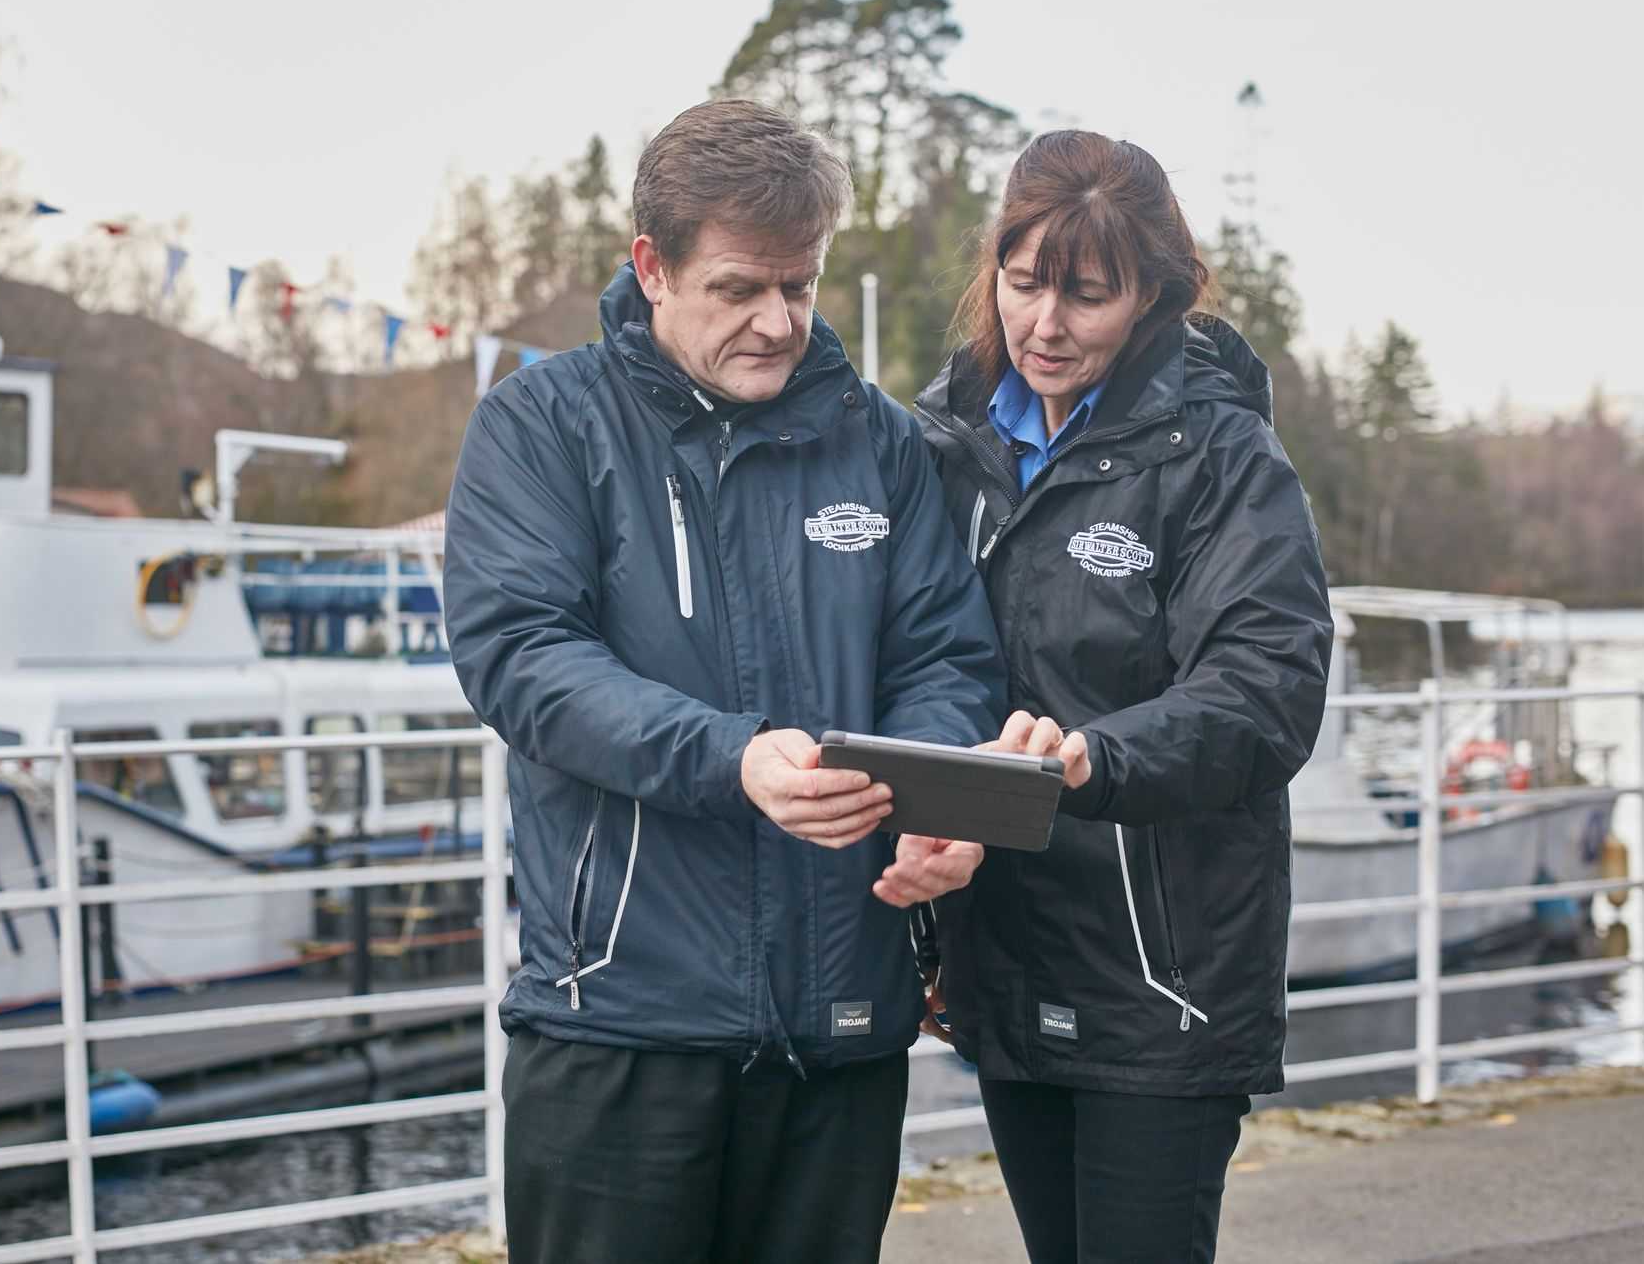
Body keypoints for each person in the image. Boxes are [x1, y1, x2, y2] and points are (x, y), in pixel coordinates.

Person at [444, 99, 1008, 1264]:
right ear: (650, 267)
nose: (776, 322)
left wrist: (936, 806)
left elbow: (943, 658)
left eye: (798, 288)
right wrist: (731, 756)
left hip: (840, 1031)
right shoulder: (540, 427)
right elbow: (521, 658)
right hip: (618, 1029)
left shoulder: (880, 442)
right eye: (739, 288)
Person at [913, 129, 1335, 1264]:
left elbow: (1265, 691)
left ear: (1151, 292)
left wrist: (1085, 760)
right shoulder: (941, 439)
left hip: (1161, 974)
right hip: (999, 953)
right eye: (1021, 285)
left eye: (1085, 296)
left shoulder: (1223, 460)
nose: (1043, 326)